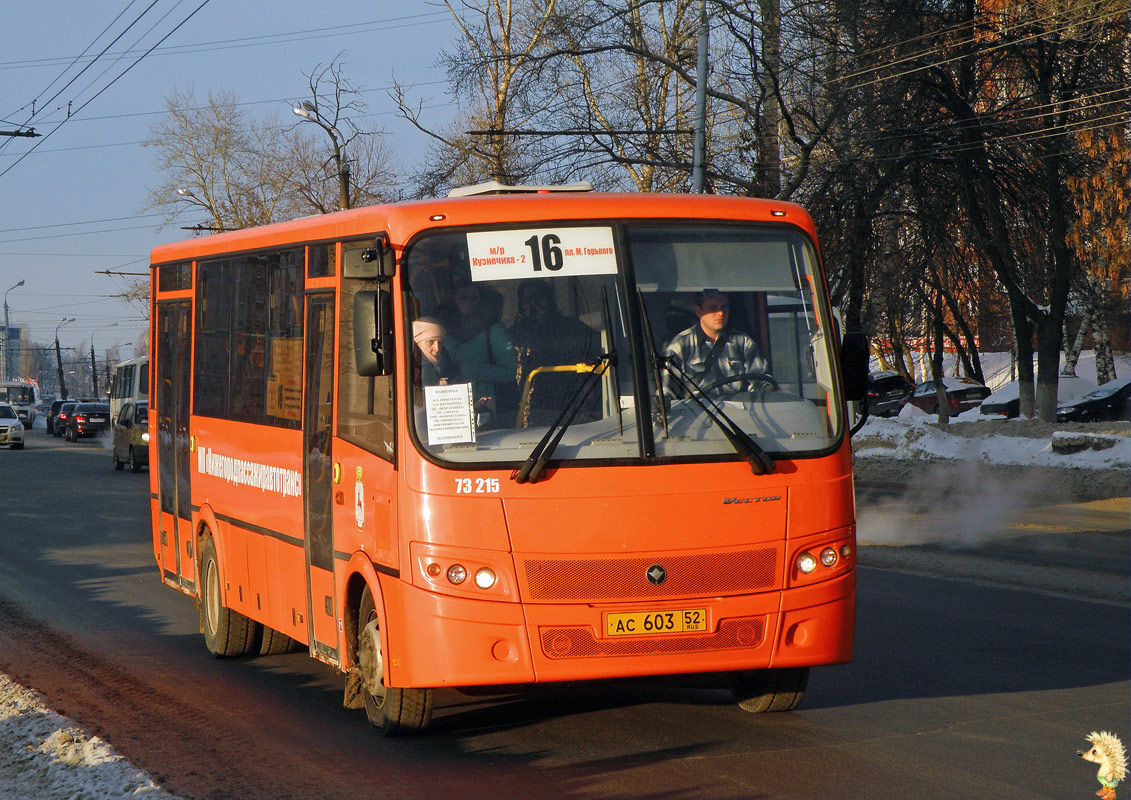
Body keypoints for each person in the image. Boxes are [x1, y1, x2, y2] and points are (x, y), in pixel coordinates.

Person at [507, 279, 597, 427]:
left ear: (550, 300)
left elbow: (597, 357)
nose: (533, 305)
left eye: (539, 298)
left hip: (569, 406)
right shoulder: (513, 335)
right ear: (520, 305)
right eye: (527, 300)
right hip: (527, 408)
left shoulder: (573, 328)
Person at [662, 289, 768, 400]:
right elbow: (668, 394)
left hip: (739, 414)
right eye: (713, 308)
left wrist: (768, 388)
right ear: (699, 311)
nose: (720, 313)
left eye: (724, 307)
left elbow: (759, 381)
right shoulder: (680, 346)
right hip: (698, 414)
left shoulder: (744, 342)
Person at [447, 283, 518, 425]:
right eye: (463, 298)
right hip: (454, 408)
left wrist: (465, 370)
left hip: (490, 409)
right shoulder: (447, 331)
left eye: (474, 298)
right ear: (454, 301)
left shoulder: (494, 331)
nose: (469, 303)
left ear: (483, 301)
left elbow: (510, 372)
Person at [413, 317, 460, 387]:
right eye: (430, 341)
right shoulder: (410, 368)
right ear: (417, 342)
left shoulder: (448, 364)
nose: (437, 348)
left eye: (440, 342)